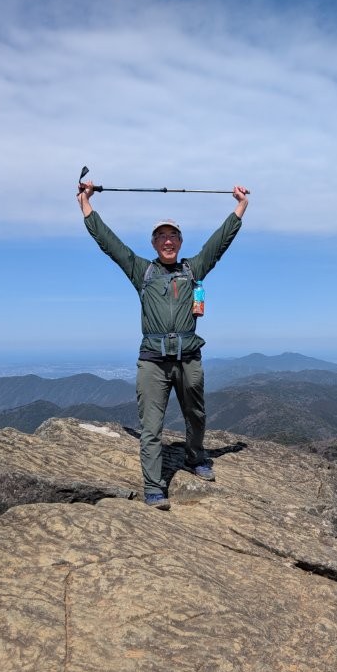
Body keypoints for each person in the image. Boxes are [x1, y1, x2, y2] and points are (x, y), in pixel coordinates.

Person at [77, 178, 249, 510]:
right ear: (154, 243)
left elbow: (220, 243)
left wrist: (240, 206)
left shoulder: (193, 269)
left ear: (180, 242)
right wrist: (86, 205)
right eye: (162, 237)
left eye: (173, 236)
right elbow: (109, 243)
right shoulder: (141, 271)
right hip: (153, 361)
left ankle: (196, 456)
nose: (167, 241)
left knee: (196, 415)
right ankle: (154, 488)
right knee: (151, 427)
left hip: (188, 358)